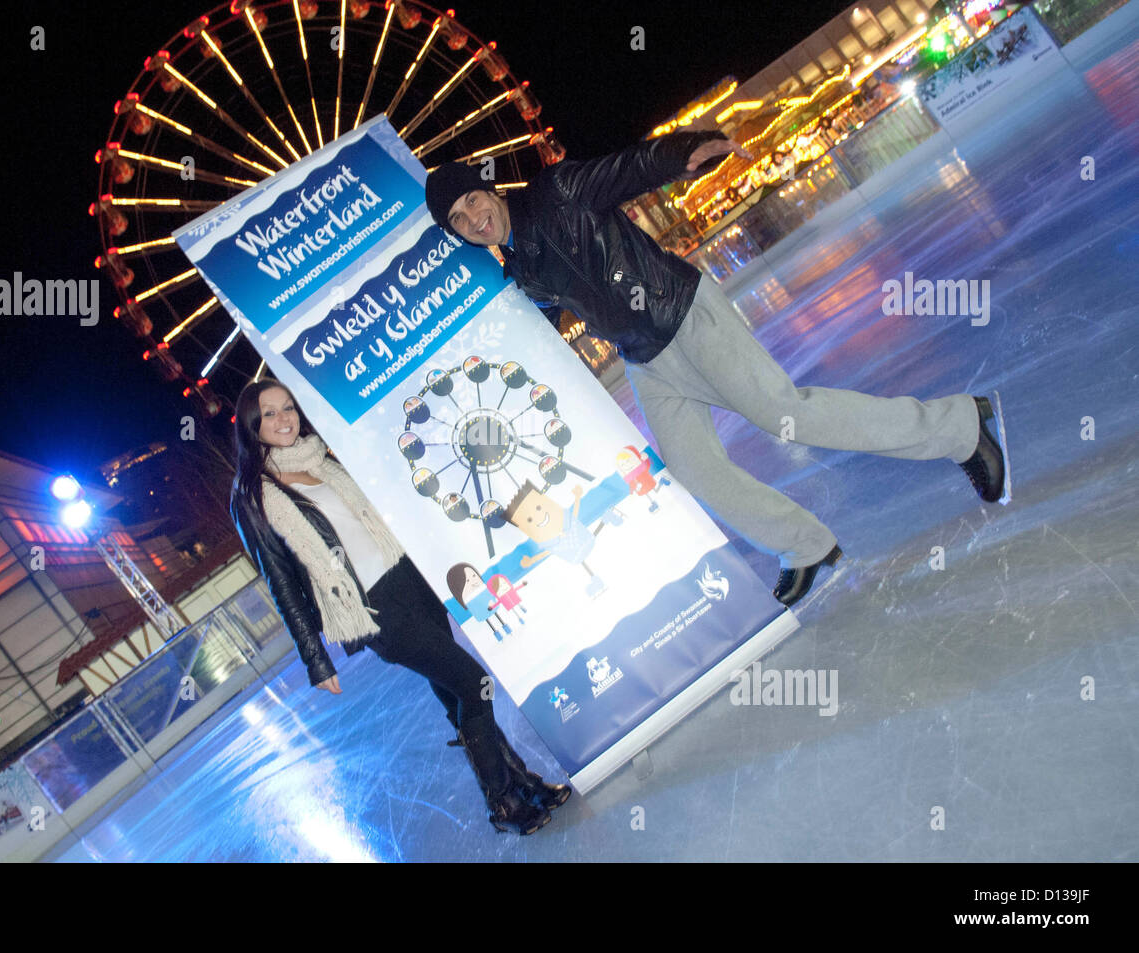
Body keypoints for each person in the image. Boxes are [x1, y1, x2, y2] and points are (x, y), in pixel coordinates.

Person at [425, 133, 1006, 606]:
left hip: (683, 316)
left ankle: (959, 427)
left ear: (489, 189)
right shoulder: (520, 269)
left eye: (472, 201)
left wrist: (681, 153)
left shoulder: (556, 192)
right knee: (696, 470)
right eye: (458, 219)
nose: (473, 219)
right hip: (644, 359)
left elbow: (626, 168)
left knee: (786, 414)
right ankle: (802, 545)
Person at [228, 378, 570, 835]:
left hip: (409, 581)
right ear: (252, 425)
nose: (283, 419)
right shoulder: (254, 495)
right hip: (372, 610)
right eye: (269, 414)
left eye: (288, 408)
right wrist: (315, 659)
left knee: (455, 694)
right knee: (475, 684)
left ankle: (521, 784)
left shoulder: (323, 458)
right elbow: (281, 582)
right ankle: (502, 800)